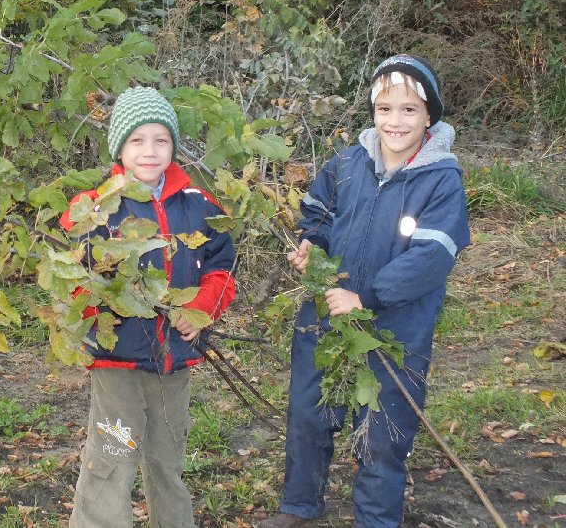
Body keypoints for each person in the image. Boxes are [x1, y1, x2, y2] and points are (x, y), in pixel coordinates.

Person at [258, 54, 471, 528]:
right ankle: (299, 507)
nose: (396, 121)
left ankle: (375, 519)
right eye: (385, 109)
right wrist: (312, 246)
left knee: (382, 431)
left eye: (409, 110)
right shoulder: (347, 164)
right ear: (373, 112)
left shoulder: (441, 179)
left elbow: (432, 257)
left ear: (429, 116)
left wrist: (367, 298)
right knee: (309, 412)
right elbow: (317, 214)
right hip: (325, 317)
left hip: (396, 329)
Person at [61, 85, 237, 528]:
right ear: (120, 147)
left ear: (173, 146)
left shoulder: (198, 206)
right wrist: (99, 309)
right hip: (117, 360)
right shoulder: (98, 209)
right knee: (112, 460)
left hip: (173, 359)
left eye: (161, 140)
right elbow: (76, 278)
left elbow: (222, 266)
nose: (150, 151)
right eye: (137, 140)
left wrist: (201, 309)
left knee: (167, 460)